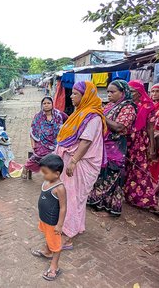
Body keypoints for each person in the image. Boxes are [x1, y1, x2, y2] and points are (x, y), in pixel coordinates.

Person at [55, 81, 105, 249]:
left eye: (75, 94)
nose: (71, 96)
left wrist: (73, 161)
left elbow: (85, 142)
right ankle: (75, 226)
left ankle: (68, 236)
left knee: (72, 197)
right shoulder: (81, 113)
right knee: (72, 197)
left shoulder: (92, 116)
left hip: (80, 163)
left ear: (85, 96)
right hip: (73, 160)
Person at [88, 80, 137, 217]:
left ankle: (110, 204)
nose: (109, 94)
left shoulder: (128, 107)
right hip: (104, 144)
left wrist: (100, 115)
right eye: (108, 91)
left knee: (112, 174)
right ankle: (97, 201)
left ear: (123, 92)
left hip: (116, 146)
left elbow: (119, 127)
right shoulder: (110, 105)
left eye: (112, 92)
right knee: (101, 173)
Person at [30, 154, 67, 281]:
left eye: (45, 172)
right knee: (47, 236)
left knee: (56, 245)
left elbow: (63, 207)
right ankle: (47, 251)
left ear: (56, 174)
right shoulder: (47, 181)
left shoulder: (59, 188)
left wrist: (60, 225)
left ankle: (54, 266)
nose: (42, 175)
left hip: (52, 222)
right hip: (44, 219)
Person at [124, 80, 157, 209]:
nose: (129, 94)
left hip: (139, 141)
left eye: (132, 91)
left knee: (138, 169)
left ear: (139, 92)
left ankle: (142, 199)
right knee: (125, 167)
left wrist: (152, 147)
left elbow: (150, 128)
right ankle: (126, 195)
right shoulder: (127, 104)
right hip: (125, 139)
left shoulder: (148, 106)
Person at [24, 97, 68, 176]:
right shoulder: (38, 117)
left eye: (48, 103)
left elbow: (69, 121)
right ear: (42, 105)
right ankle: (26, 167)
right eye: (44, 103)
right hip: (42, 142)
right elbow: (32, 132)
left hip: (57, 142)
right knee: (39, 154)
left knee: (61, 154)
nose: (46, 105)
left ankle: (55, 174)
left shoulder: (59, 115)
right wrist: (33, 145)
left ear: (52, 104)